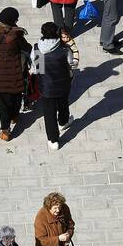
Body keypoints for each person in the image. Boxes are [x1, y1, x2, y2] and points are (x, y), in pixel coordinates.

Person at [0, 6, 30, 143]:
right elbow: (26, 48)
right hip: (14, 72)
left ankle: (5, 130)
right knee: (16, 96)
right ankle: (14, 117)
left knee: (3, 102)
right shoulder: (16, 35)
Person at [32, 21, 78, 152]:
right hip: (63, 84)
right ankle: (63, 122)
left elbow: (37, 70)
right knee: (63, 104)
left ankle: (53, 140)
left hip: (45, 87)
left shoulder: (37, 49)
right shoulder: (64, 49)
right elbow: (71, 63)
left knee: (49, 113)